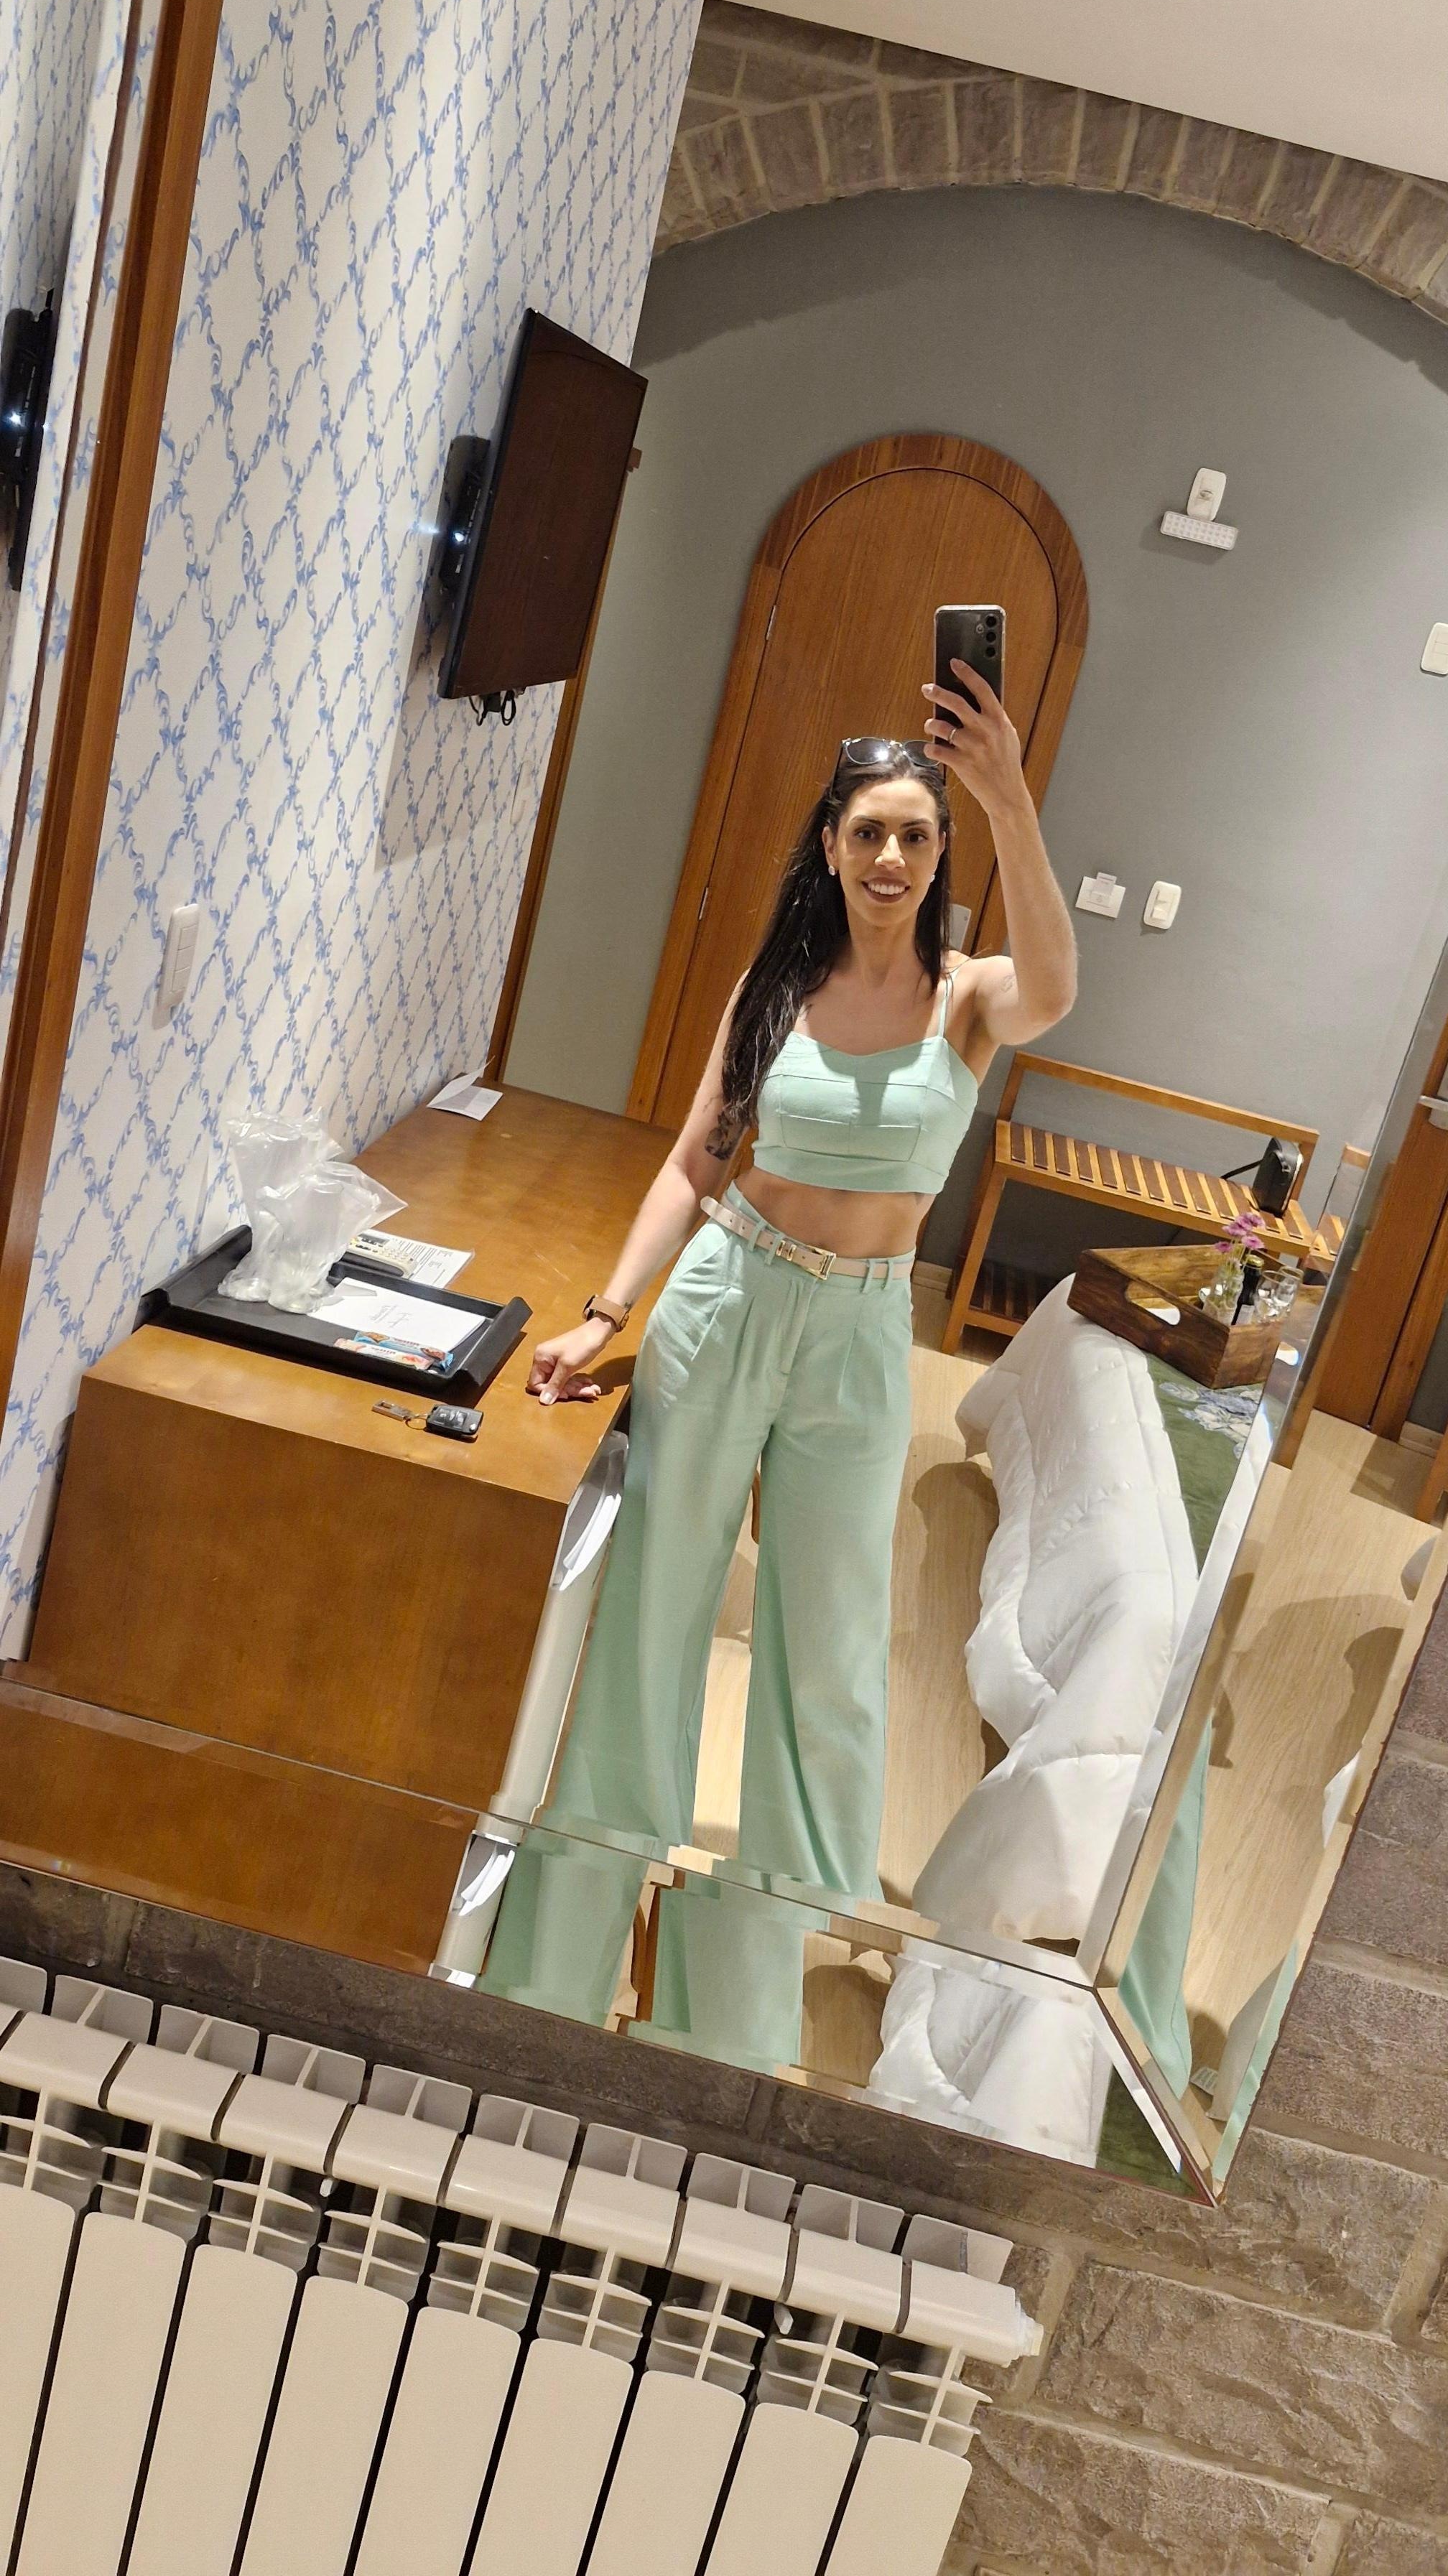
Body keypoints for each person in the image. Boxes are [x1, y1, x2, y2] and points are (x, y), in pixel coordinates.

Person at [480, 660, 1077, 2060]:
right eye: (867, 831)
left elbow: (1056, 986)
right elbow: (697, 1161)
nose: (889, 857)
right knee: (650, 1623)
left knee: (829, 1663)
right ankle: (550, 1985)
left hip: (860, 1334)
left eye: (914, 834)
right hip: (728, 1299)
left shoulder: (967, 998)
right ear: (829, 842)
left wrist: (1007, 794)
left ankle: (732, 2023)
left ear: (942, 850)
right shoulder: (777, 985)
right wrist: (605, 1312)